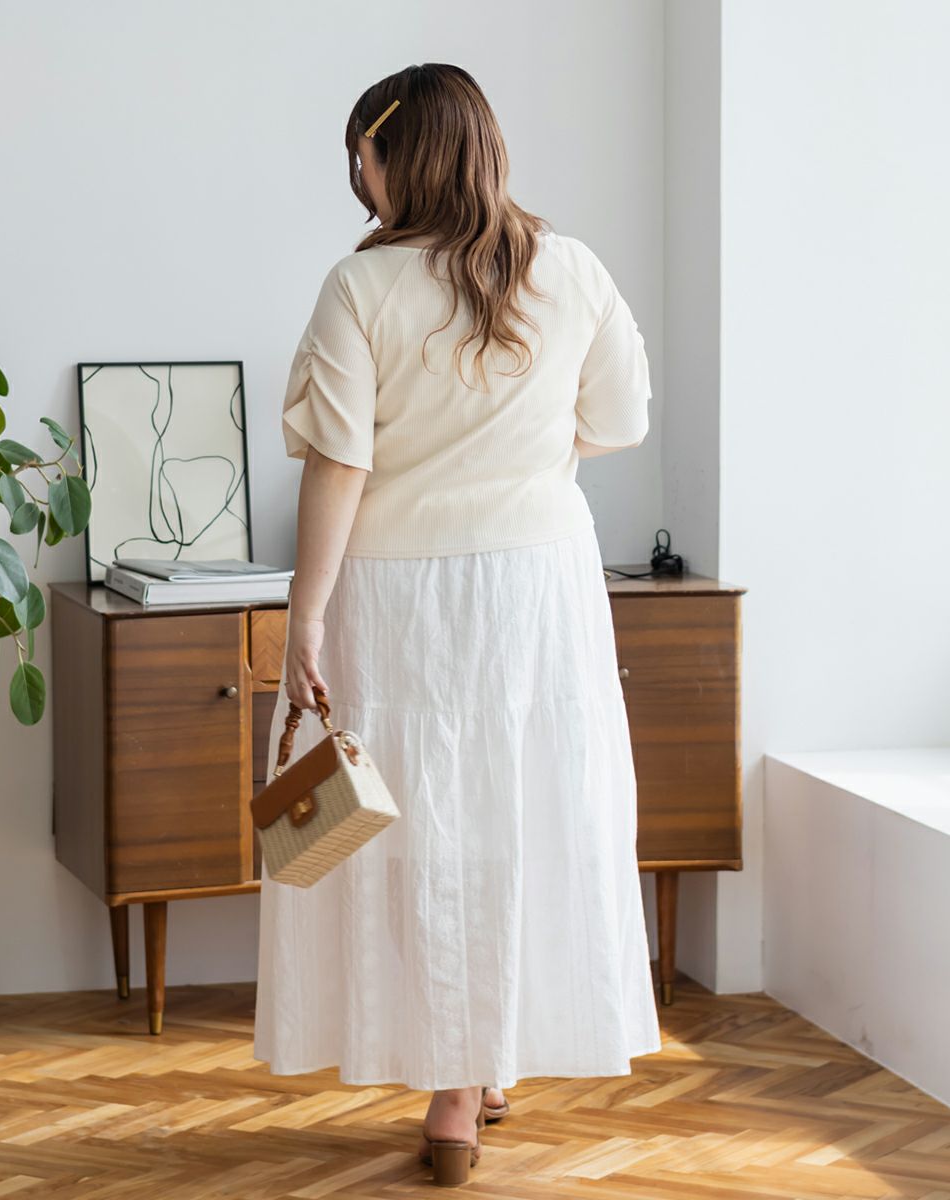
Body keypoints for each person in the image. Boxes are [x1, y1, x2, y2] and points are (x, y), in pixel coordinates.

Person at [254, 62, 662, 1186]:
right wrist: (521, 457)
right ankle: (479, 1072)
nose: (359, 180)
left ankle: (451, 1084)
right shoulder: (569, 268)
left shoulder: (360, 284)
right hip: (538, 587)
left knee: (411, 828)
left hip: (398, 592)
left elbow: (340, 462)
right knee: (521, 811)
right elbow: (619, 419)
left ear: (402, 153)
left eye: (363, 157)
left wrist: (303, 615)